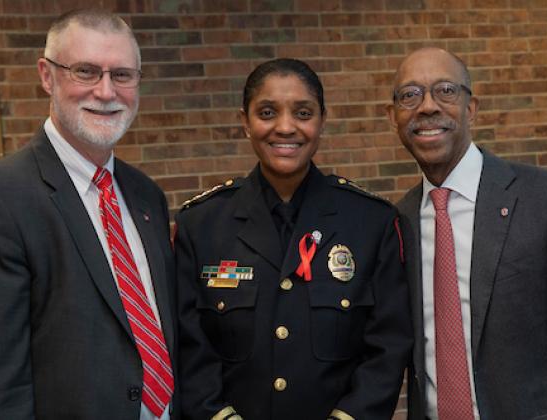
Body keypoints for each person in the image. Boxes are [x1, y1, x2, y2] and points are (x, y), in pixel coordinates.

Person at [0, 9, 177, 420]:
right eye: (86, 71)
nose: (106, 92)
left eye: (122, 75)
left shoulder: (147, 197)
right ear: (46, 76)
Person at [174, 58, 412, 420]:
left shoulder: (371, 222)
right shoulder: (202, 224)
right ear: (245, 122)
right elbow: (189, 347)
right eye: (267, 112)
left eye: (303, 113)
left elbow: (388, 346)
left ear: (321, 121)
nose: (285, 128)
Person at [388, 47, 547, 420]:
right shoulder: (397, 222)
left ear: (472, 107)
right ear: (393, 116)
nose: (427, 106)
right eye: (410, 95)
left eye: (446, 90)